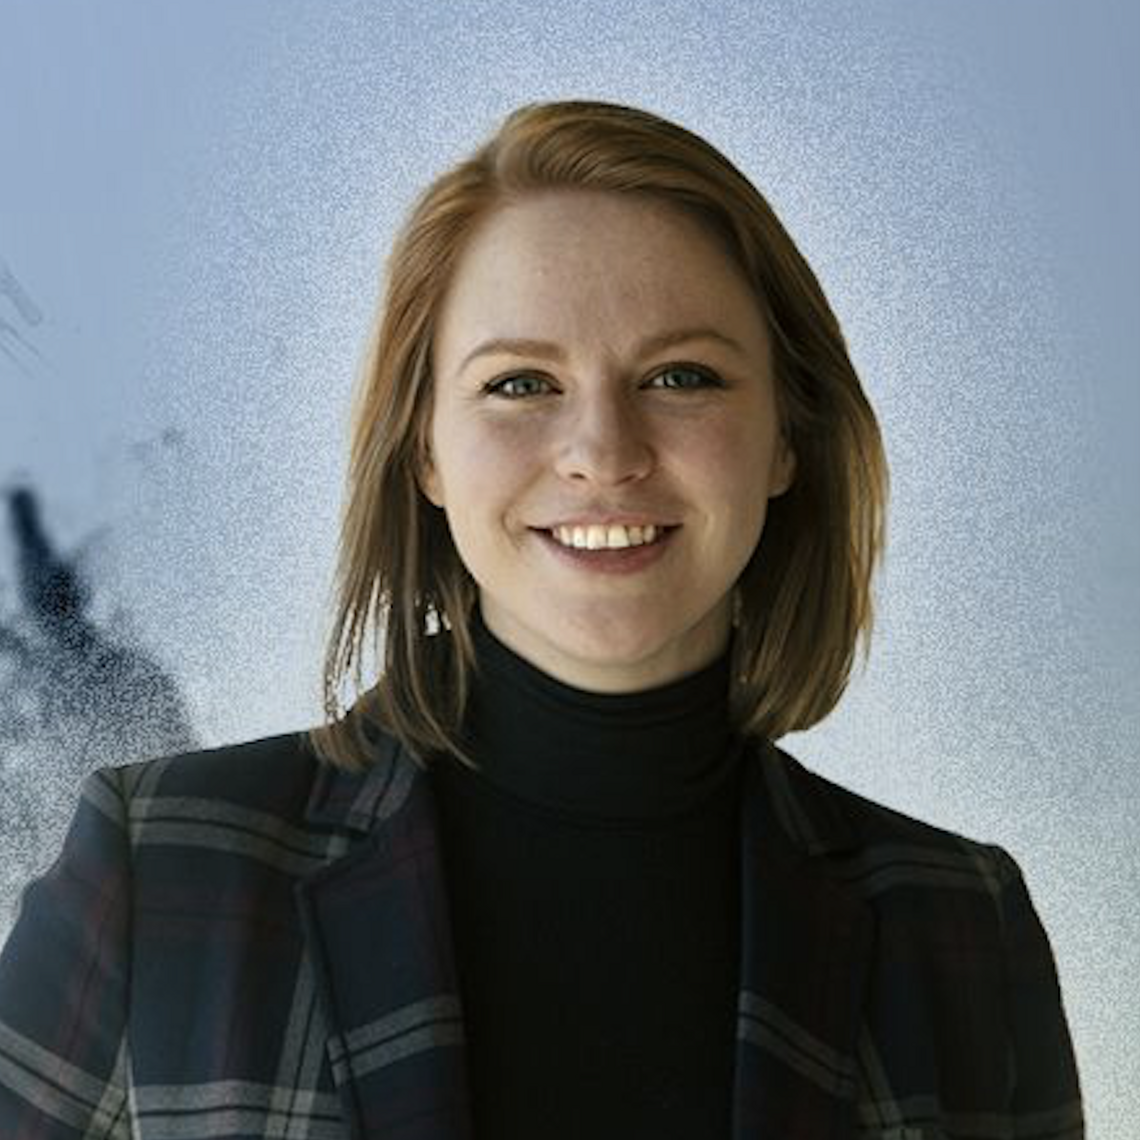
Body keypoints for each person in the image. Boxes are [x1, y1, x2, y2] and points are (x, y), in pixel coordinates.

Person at [0, 99, 1084, 1139]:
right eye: (521, 384)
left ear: (788, 440)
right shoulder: (161, 868)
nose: (604, 452)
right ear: (423, 449)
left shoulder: (959, 924)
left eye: (681, 374)